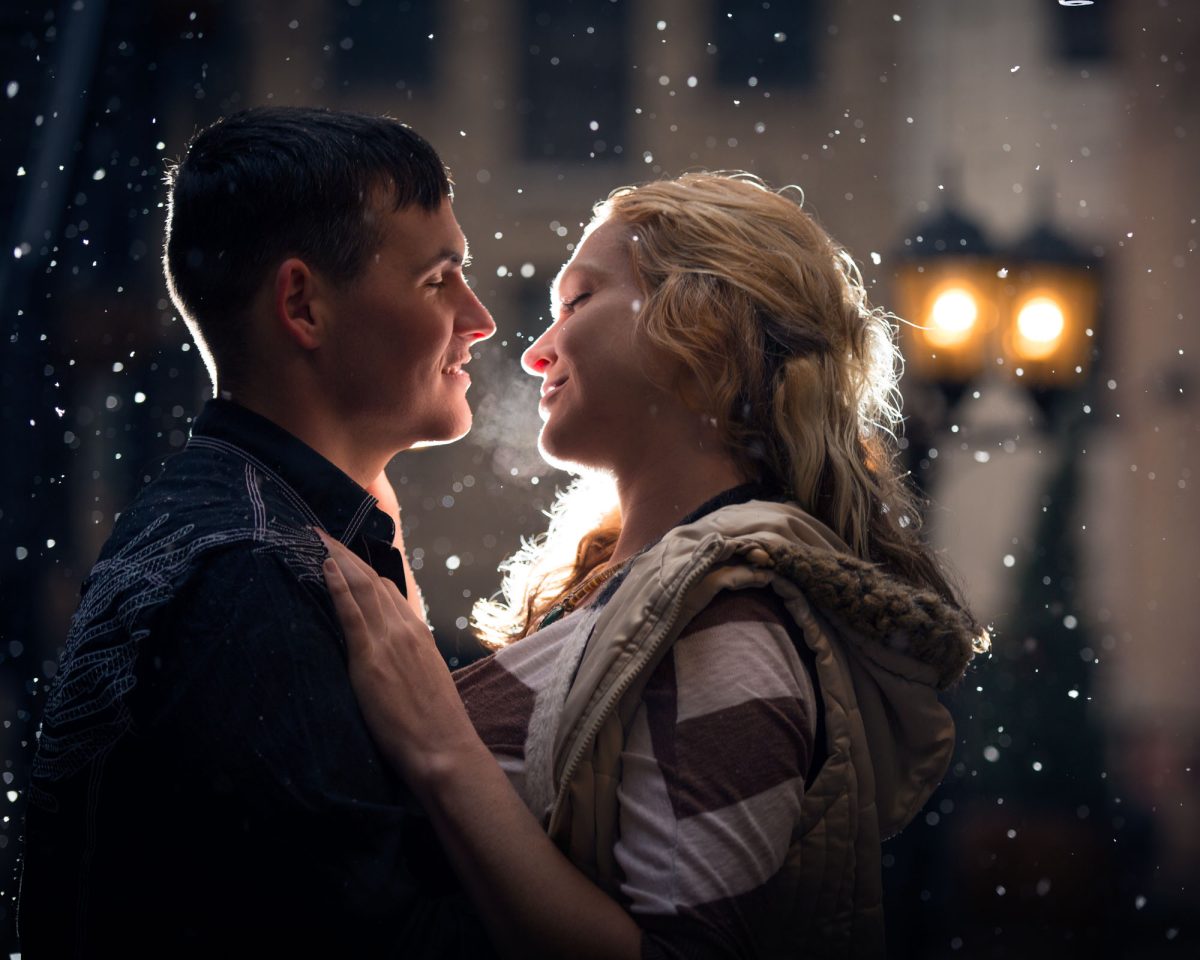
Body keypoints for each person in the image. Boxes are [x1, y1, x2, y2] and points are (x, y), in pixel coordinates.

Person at [321, 172, 989, 958]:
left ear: (698, 324)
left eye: (576, 302)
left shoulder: (728, 629)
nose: (537, 354)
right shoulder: (655, 602)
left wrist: (442, 750)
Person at [18, 107, 496, 957]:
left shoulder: (246, 525)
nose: (480, 317)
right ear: (303, 304)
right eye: (438, 280)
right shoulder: (249, 579)